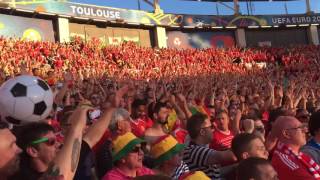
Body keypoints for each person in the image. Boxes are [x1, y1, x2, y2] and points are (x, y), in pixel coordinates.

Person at [174, 113, 236, 179]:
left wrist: (235, 166)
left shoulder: (198, 149)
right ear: (202, 132)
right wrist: (237, 123)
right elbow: (232, 156)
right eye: (211, 127)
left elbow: (216, 173)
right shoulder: (195, 151)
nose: (213, 130)